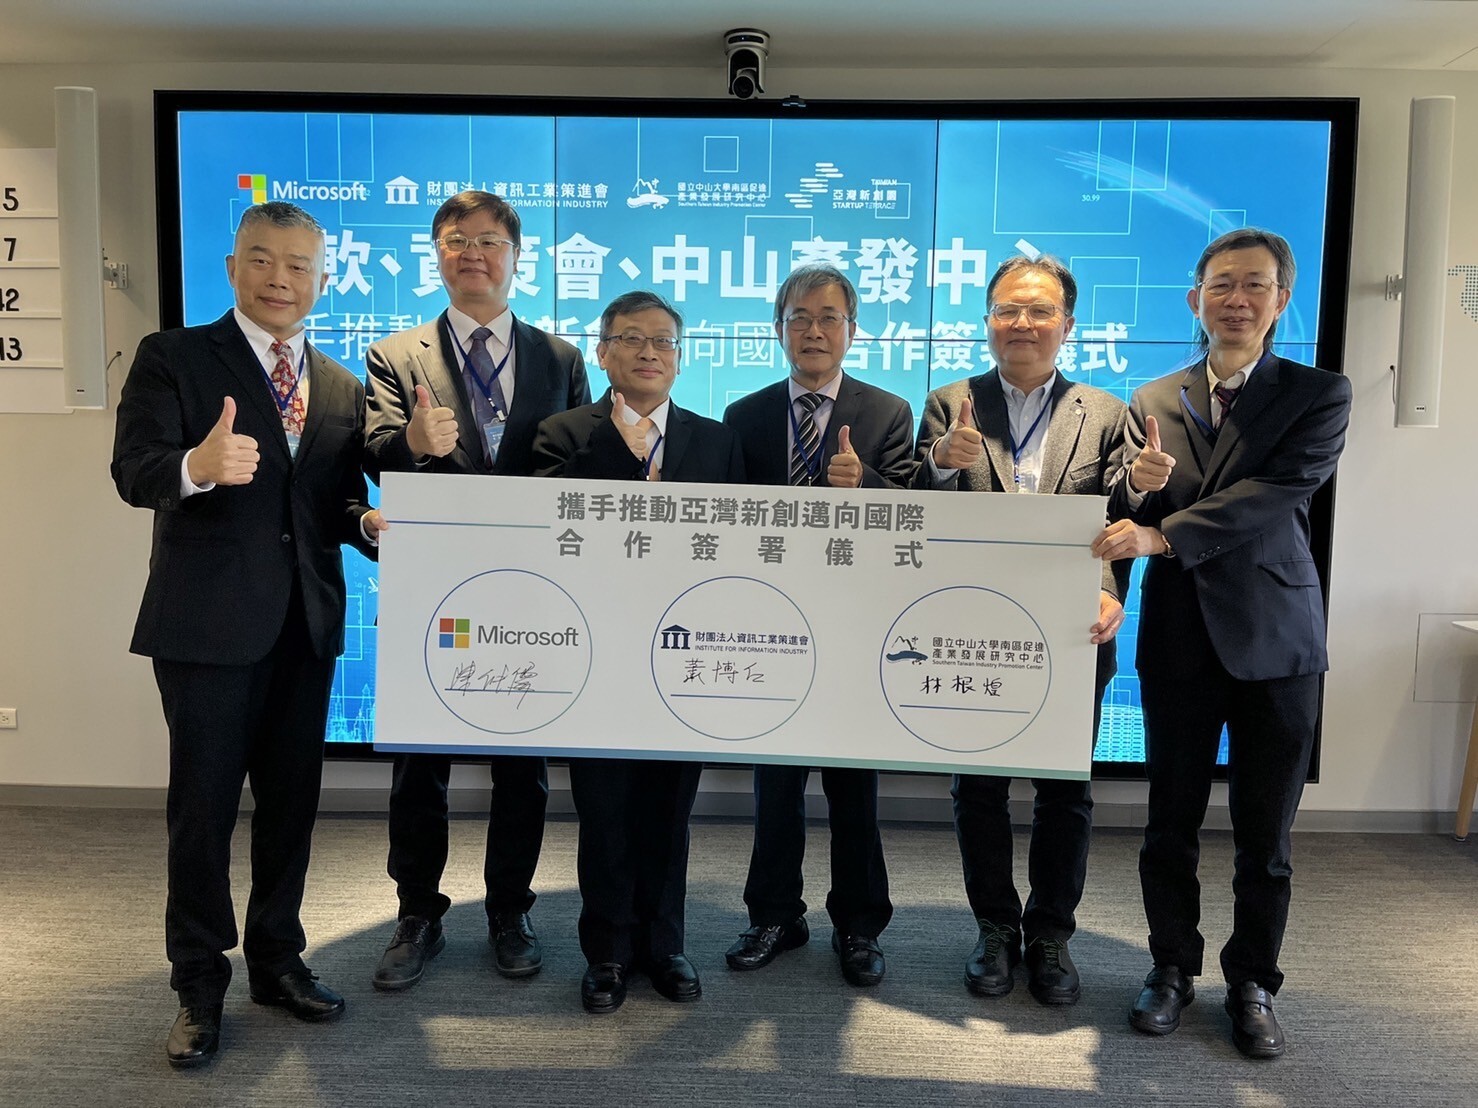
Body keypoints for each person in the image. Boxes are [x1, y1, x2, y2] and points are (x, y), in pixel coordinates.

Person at [111, 202, 386, 1067]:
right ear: (232, 268)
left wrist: (367, 525)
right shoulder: (176, 357)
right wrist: (196, 466)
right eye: (262, 259)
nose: (280, 278)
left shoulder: (339, 383)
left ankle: (277, 958)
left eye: (299, 264)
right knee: (201, 814)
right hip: (206, 628)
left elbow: (326, 503)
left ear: (322, 278)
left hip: (305, 629)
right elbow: (133, 470)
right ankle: (197, 983)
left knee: (292, 807)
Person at [1092, 228, 1352, 1059]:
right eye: (1222, 284)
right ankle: (1170, 966)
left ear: (1281, 300)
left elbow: (1275, 494)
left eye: (1256, 285)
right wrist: (1134, 493)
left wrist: (1161, 535)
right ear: (1194, 298)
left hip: (1277, 641)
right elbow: (1130, 511)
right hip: (1178, 640)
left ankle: (1251, 982)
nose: (1237, 299)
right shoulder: (1153, 397)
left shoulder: (1318, 393)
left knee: (1263, 834)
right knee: (1167, 821)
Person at [363, 190, 589, 990]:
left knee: (520, 763)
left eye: (490, 242)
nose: (474, 254)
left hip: (530, 592)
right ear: (437, 253)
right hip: (433, 588)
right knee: (419, 762)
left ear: (516, 258)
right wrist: (408, 442)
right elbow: (373, 456)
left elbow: (582, 463)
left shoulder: (561, 359)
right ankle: (416, 912)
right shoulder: (396, 355)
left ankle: (509, 910)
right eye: (457, 241)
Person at [914, 255, 1128, 1006]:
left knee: (1065, 792)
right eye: (1008, 310)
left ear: (1067, 324)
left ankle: (1051, 934)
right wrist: (942, 463)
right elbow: (917, 510)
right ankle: (995, 929)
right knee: (977, 787)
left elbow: (1116, 519)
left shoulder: (1104, 411)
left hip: (1075, 630)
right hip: (973, 628)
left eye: (1040, 311)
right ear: (987, 322)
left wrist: (1110, 594)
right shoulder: (950, 402)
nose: (1023, 325)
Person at [531, 290, 745, 1013]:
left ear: (680, 359)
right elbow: (548, 533)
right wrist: (628, 470)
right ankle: (607, 953)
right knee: (605, 811)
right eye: (631, 338)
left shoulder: (717, 442)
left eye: (664, 341)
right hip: (594, 655)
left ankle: (665, 945)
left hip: (684, 660)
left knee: (668, 810)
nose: (649, 351)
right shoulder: (561, 433)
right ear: (602, 352)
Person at [721, 263, 914, 987]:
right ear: (779, 329)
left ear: (852, 331)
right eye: (799, 317)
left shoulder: (889, 412)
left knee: (853, 788)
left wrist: (863, 487)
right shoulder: (743, 415)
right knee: (775, 785)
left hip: (856, 626)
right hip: (771, 628)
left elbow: (916, 512)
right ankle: (774, 914)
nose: (813, 331)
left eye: (829, 317)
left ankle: (860, 926)